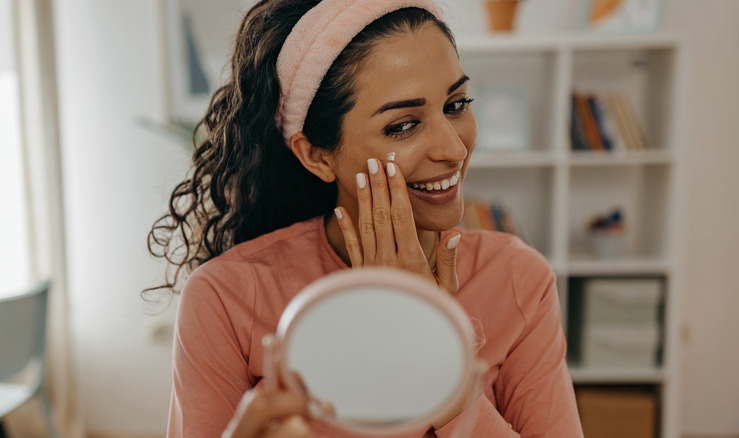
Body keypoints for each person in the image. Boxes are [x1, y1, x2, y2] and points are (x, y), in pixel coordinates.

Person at [147, 0, 584, 436]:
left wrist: (441, 368)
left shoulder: (517, 278)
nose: (454, 148)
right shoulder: (224, 298)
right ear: (316, 155)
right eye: (403, 125)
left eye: (455, 104)